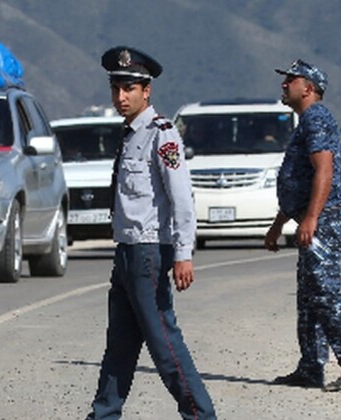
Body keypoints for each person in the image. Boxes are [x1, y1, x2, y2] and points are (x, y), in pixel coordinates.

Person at [87, 46, 215, 419]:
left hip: (149, 252)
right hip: (126, 251)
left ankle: (201, 416)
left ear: (147, 91)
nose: (120, 97)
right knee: (120, 347)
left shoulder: (163, 135)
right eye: (116, 89)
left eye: (129, 88)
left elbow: (181, 199)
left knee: (164, 346)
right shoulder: (130, 134)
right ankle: (103, 415)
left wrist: (183, 253)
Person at [264, 59, 341, 392]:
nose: (284, 85)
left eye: (290, 80)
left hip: (326, 219)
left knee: (324, 293)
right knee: (309, 297)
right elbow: (300, 179)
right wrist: (279, 223)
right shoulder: (306, 121)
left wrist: (311, 218)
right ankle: (311, 367)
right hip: (312, 217)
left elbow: (323, 171)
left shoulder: (317, 117)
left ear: (308, 88)